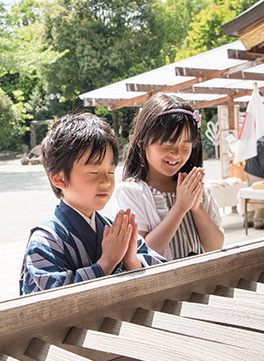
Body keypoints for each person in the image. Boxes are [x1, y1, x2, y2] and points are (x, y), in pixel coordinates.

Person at [20, 113, 164, 294]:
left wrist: (132, 261)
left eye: (111, 172)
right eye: (94, 172)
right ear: (59, 179)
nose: (106, 182)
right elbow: (53, 301)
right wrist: (107, 263)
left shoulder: (116, 229)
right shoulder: (45, 242)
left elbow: (165, 273)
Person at [108, 93, 225, 260]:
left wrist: (196, 207)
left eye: (185, 145)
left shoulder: (196, 189)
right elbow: (142, 255)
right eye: (167, 143)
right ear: (142, 143)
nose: (177, 153)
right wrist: (180, 208)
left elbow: (215, 246)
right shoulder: (130, 192)